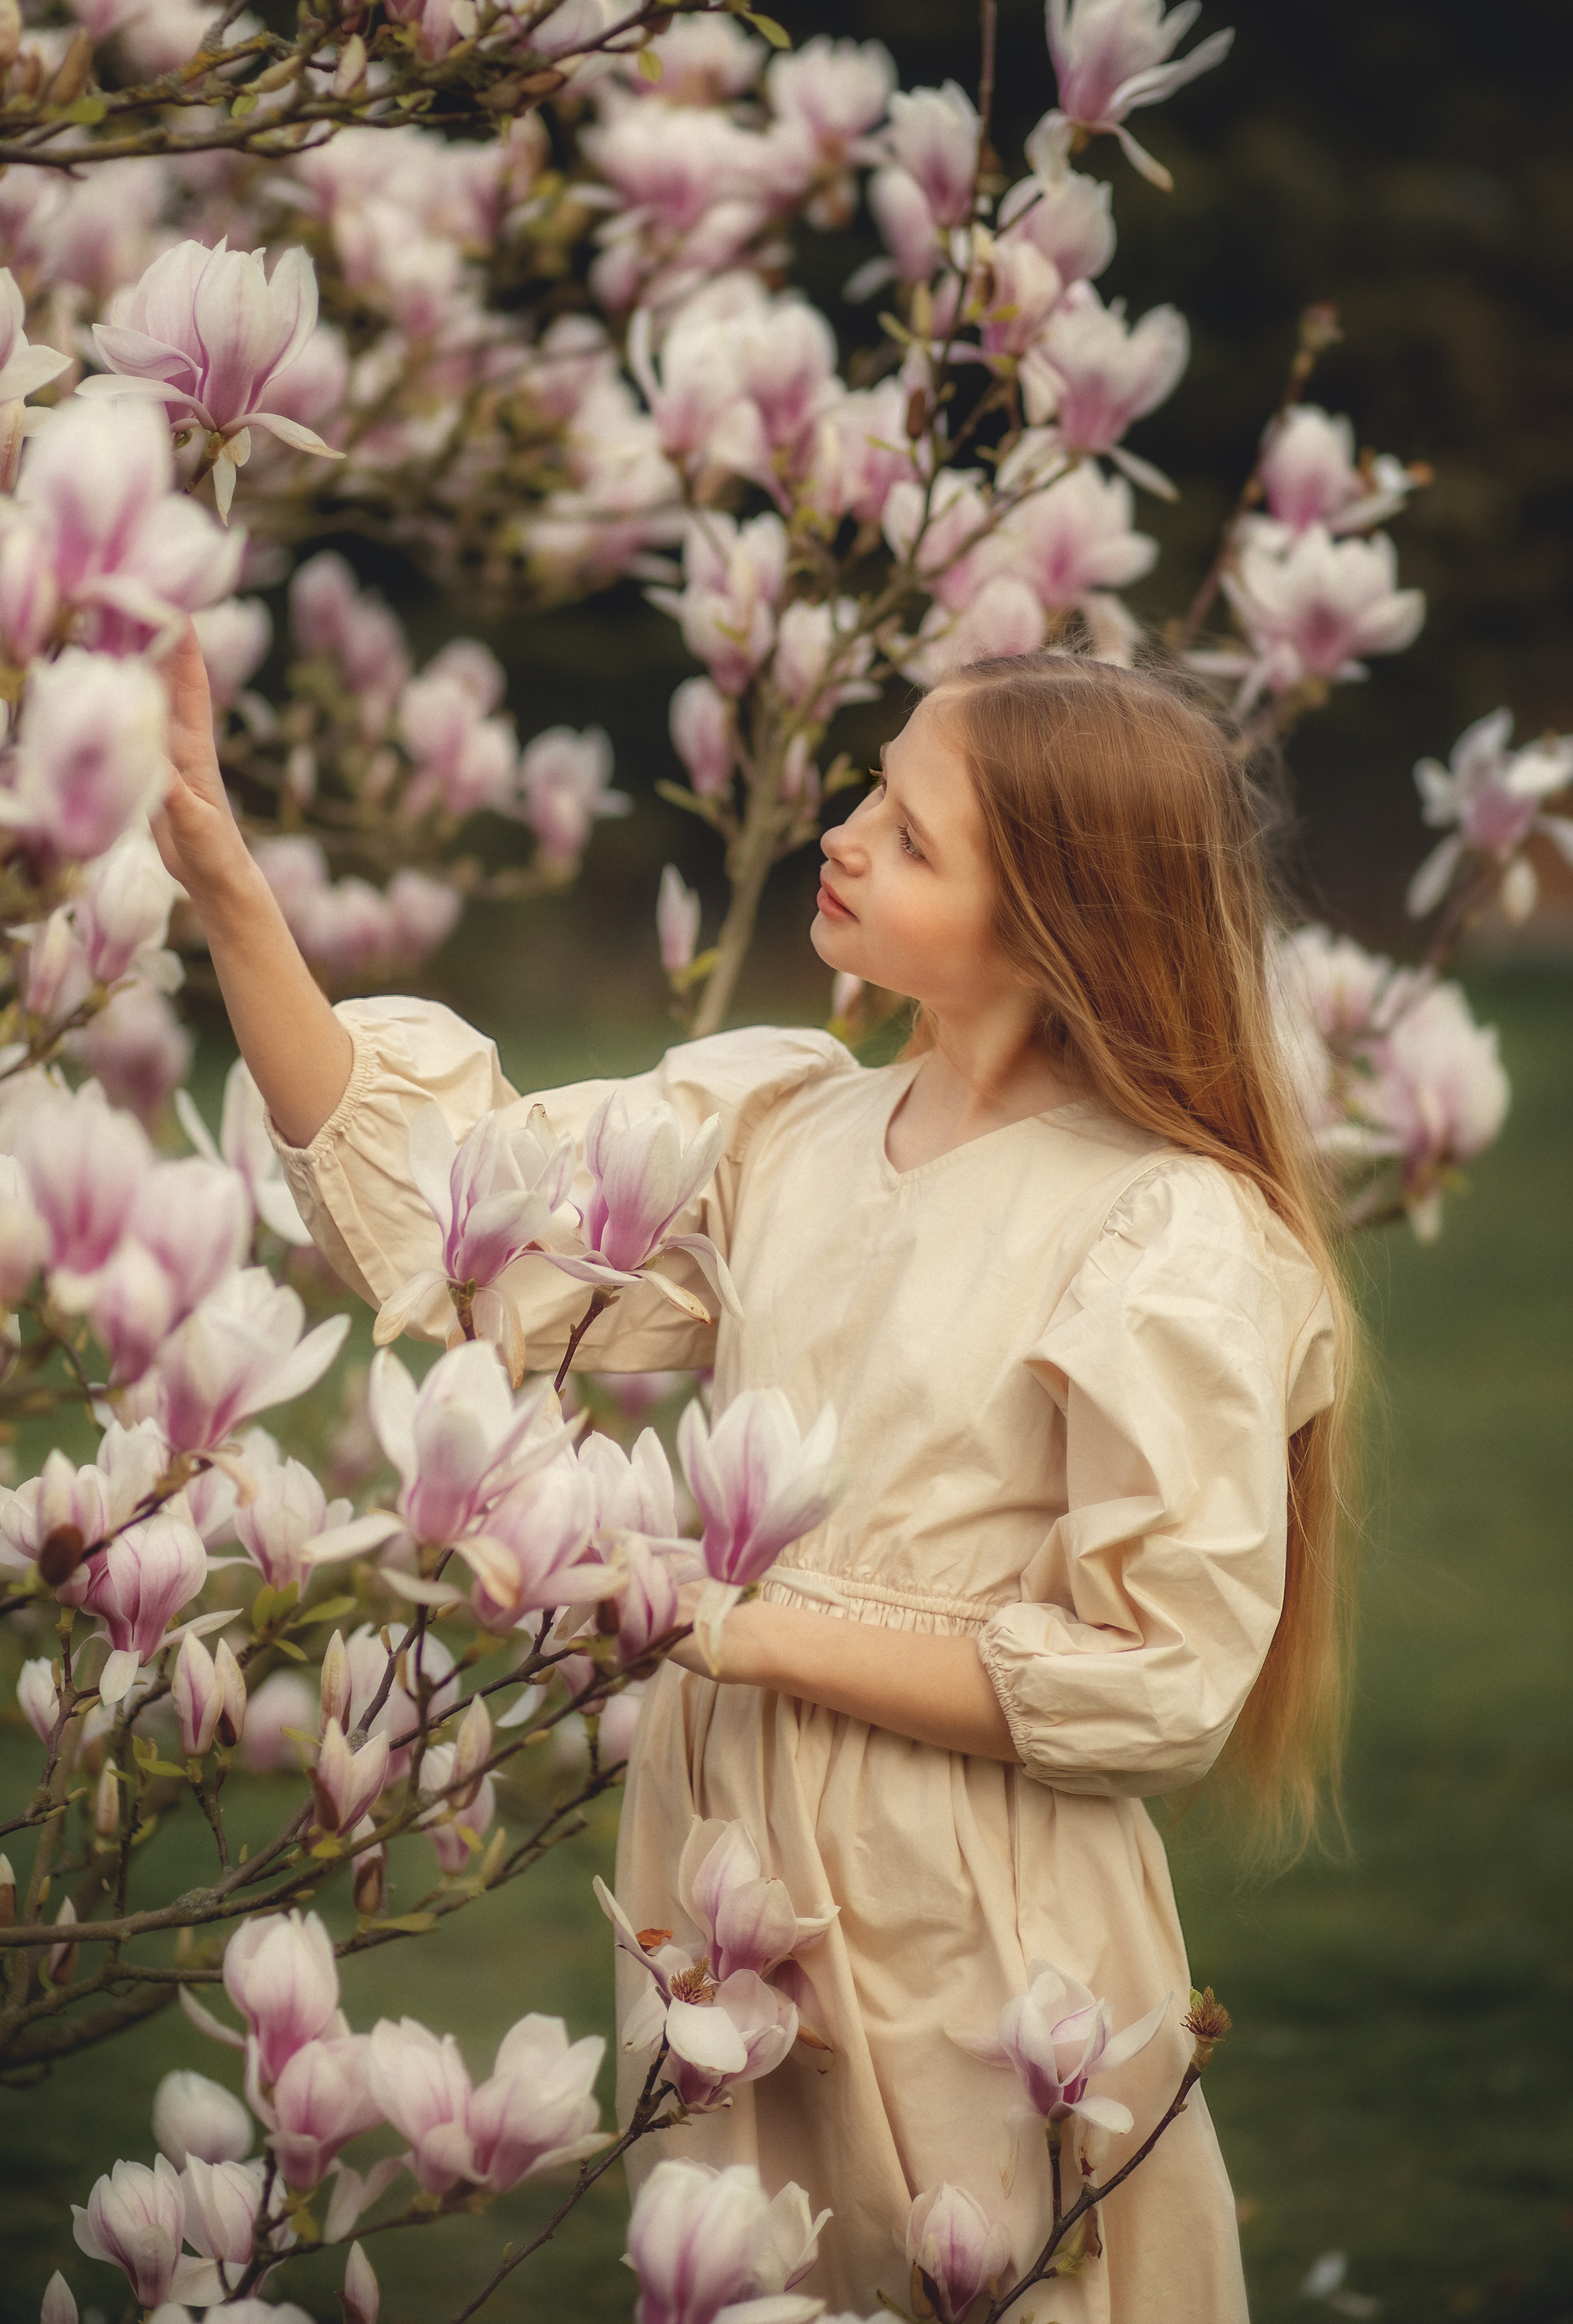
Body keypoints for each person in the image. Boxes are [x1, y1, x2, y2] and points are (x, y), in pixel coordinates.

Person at [155, 633, 1351, 2323]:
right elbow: (448, 1205)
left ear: (1055, 919)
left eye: (912, 835)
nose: (844, 832)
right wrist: (223, 882)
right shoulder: (785, 1129)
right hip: (726, 1861)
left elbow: (1160, 1679)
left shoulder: (1160, 1233)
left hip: (970, 1901)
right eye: (870, 785)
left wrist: (741, 1630)